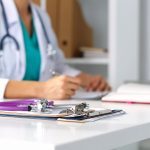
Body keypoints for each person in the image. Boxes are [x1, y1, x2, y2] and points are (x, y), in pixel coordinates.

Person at [0, 0, 110, 100]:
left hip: (35, 111)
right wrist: (42, 89)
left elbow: (57, 66)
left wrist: (88, 81)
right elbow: (46, 88)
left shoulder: (41, 16)